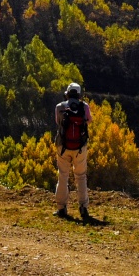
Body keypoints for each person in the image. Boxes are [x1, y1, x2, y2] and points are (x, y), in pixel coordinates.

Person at [53, 82, 91, 221]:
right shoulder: (85, 107)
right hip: (80, 147)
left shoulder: (59, 107)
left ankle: (61, 208)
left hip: (63, 146)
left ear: (67, 93)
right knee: (81, 176)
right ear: (79, 94)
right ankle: (83, 207)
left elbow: (58, 123)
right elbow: (89, 121)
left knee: (63, 176)